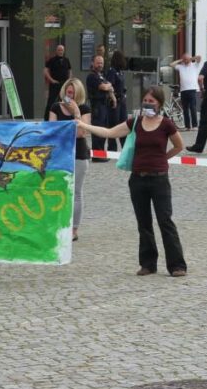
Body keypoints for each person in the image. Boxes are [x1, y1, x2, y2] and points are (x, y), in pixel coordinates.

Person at [78, 87, 188, 277]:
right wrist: (84, 125)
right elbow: (109, 132)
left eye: (151, 101)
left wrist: (163, 158)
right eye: (145, 99)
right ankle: (148, 263)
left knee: (165, 221)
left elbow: (179, 145)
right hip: (138, 179)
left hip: (159, 179)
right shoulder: (135, 122)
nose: (147, 103)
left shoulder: (166, 124)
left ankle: (177, 265)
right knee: (143, 223)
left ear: (159, 104)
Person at [48, 78, 92, 241]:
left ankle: (74, 229)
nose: (69, 94)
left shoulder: (84, 108)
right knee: (58, 190)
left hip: (78, 155)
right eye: (67, 91)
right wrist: (68, 130)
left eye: (72, 92)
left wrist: (76, 113)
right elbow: (52, 131)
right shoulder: (55, 107)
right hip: (59, 155)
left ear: (78, 94)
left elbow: (81, 133)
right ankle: (58, 224)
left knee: (76, 192)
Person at [86, 55, 115, 161]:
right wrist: (108, 86)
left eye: (101, 63)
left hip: (104, 105)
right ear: (92, 63)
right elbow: (104, 87)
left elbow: (109, 86)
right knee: (98, 131)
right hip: (97, 106)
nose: (100, 65)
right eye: (98, 63)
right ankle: (97, 156)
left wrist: (109, 87)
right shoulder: (92, 76)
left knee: (104, 130)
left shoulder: (101, 76)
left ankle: (101, 154)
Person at [171, 53, 202, 130]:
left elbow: (199, 57)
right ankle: (187, 126)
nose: (186, 60)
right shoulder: (180, 67)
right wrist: (181, 60)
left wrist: (190, 59)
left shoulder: (194, 65)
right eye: (184, 59)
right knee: (185, 109)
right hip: (183, 90)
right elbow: (171, 64)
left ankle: (195, 126)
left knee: (192, 108)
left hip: (192, 89)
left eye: (186, 59)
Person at [105, 50, 128, 151]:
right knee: (113, 125)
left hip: (122, 101)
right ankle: (112, 148)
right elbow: (110, 86)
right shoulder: (112, 71)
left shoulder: (121, 72)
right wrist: (113, 98)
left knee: (124, 124)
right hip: (115, 102)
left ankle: (125, 147)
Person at [43, 44, 73, 119]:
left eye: (62, 50)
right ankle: (47, 118)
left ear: (64, 51)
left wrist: (69, 81)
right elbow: (45, 71)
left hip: (64, 84)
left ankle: (68, 116)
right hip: (55, 84)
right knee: (51, 101)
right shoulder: (52, 60)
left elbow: (70, 71)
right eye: (59, 50)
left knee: (67, 100)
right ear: (56, 51)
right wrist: (51, 80)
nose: (60, 51)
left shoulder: (66, 60)